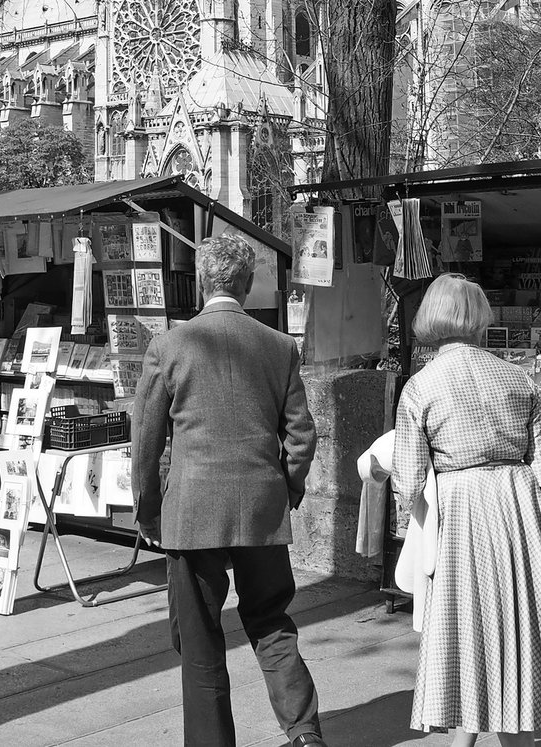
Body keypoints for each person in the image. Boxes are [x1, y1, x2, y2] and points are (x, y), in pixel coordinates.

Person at [131, 234, 327, 747]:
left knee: (198, 640)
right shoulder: (279, 345)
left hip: (192, 511)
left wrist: (148, 511)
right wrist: (285, 489)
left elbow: (146, 443)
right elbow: (302, 435)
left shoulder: (168, 345)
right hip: (261, 507)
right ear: (247, 283)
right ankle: (304, 734)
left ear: (201, 281)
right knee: (271, 622)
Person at [391, 272, 541, 747]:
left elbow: (407, 478)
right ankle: (513, 724)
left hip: (461, 510)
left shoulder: (421, 385)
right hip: (518, 508)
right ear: (480, 318)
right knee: (516, 624)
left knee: (465, 626)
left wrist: (406, 530)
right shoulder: (518, 377)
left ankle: (467, 733)